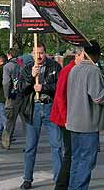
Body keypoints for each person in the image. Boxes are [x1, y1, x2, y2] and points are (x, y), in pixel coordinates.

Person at [19, 43, 62, 189]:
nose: (39, 56)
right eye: (36, 53)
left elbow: (60, 87)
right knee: (30, 146)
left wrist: (44, 87)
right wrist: (31, 77)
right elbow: (21, 89)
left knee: (57, 145)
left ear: (46, 53)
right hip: (34, 108)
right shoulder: (27, 68)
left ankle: (59, 180)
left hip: (50, 107)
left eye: (41, 53)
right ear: (32, 54)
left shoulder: (55, 66)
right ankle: (27, 178)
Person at [66, 41, 104, 190]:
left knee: (76, 160)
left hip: (74, 122)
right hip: (87, 124)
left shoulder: (74, 69)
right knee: (86, 162)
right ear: (95, 55)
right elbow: (98, 97)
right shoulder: (93, 71)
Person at [50, 48, 84, 190]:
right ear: (77, 56)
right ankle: (61, 185)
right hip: (65, 118)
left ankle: (67, 183)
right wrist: (65, 119)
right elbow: (60, 96)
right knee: (70, 153)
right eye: (84, 56)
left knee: (73, 152)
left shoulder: (76, 70)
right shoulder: (68, 71)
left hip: (72, 118)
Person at [1, 48, 24, 150]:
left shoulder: (7, 66)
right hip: (23, 95)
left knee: (10, 121)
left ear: (9, 55)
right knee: (26, 122)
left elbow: (6, 83)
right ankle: (30, 143)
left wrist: (7, 96)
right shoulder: (23, 65)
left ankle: (6, 142)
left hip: (12, 96)